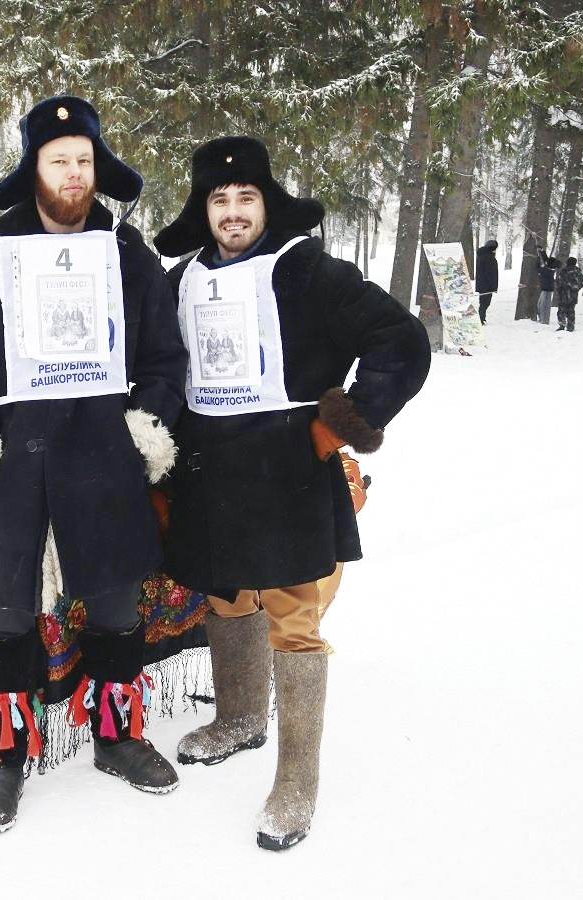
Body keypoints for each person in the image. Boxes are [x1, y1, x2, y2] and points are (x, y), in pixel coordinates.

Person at [153, 136, 431, 851]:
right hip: (208, 465)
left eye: (246, 198)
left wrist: (338, 425)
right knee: (225, 596)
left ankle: (297, 779)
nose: (233, 212)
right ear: (203, 210)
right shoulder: (180, 279)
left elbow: (400, 338)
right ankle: (241, 718)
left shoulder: (307, 269)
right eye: (220, 200)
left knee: (293, 616)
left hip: (288, 466)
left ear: (266, 204)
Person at [0, 95, 188, 832]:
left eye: (84, 161)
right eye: (59, 160)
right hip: (15, 468)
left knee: (115, 610)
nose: (74, 173)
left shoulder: (129, 255)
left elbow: (165, 358)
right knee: (7, 619)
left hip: (106, 462)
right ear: (33, 169)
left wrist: (144, 427)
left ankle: (117, 737)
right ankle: (1, 758)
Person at [555, 256, 583, 332]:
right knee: (571, 310)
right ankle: (571, 325)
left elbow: (559, 282)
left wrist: (559, 290)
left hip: (564, 294)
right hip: (573, 295)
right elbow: (581, 283)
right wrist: (575, 289)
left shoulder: (564, 271)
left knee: (561, 310)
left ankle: (562, 325)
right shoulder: (578, 271)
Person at [475, 239, 499, 325]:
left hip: (482, 284)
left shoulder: (482, 255)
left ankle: (481, 318)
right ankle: (481, 319)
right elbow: (491, 273)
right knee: (485, 303)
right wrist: (493, 286)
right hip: (487, 285)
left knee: (483, 302)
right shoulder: (489, 257)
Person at [536, 250, 558, 325]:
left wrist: (538, 258)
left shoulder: (545, 270)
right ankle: (543, 319)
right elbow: (547, 260)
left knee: (543, 305)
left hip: (546, 289)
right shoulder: (550, 268)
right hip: (547, 288)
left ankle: (544, 320)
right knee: (541, 304)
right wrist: (542, 252)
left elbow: (537, 268)